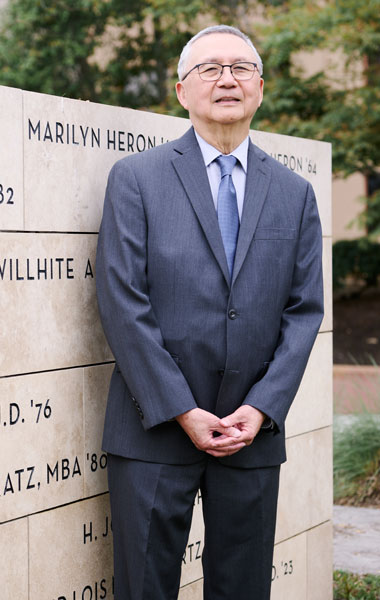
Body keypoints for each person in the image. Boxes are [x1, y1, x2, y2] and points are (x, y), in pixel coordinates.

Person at [95, 25, 323, 600]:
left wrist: (262, 407)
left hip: (253, 434)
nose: (227, 78)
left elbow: (304, 312)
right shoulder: (136, 179)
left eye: (241, 68)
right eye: (210, 69)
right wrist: (182, 410)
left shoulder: (294, 194)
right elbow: (122, 301)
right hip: (153, 431)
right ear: (180, 91)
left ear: (261, 87)